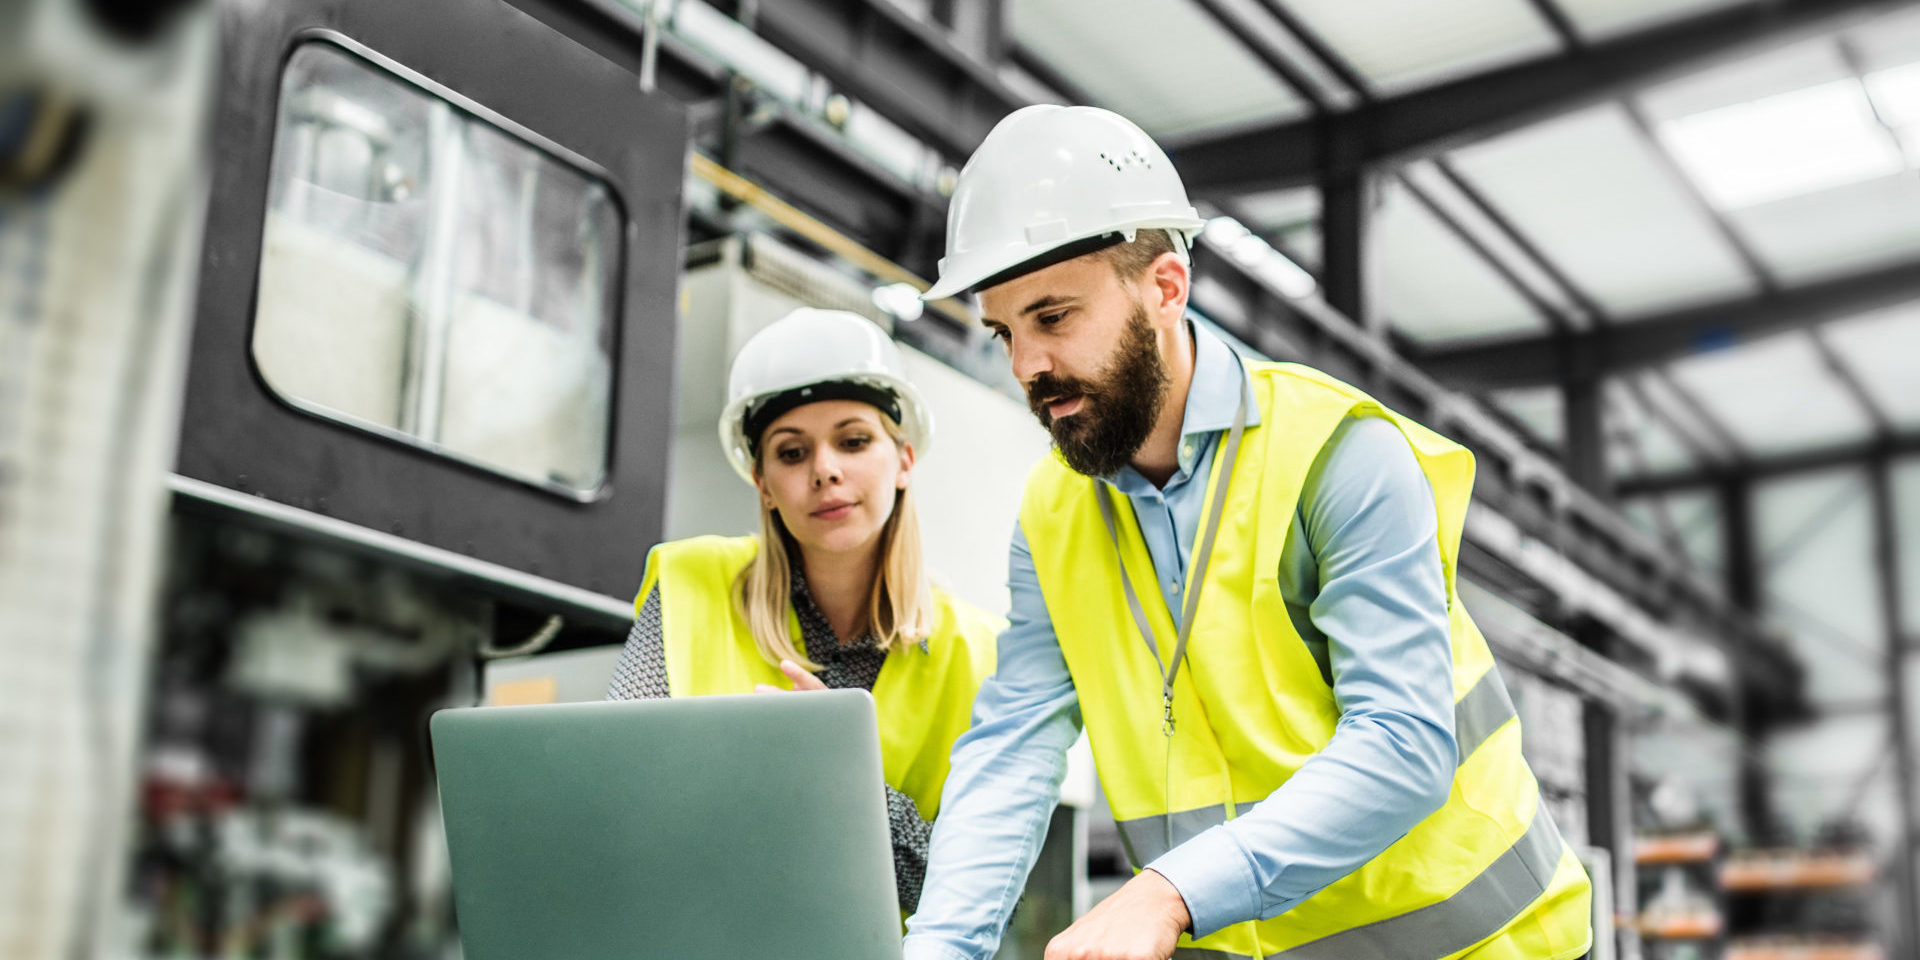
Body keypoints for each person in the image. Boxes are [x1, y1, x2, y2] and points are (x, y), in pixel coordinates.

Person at [903, 106, 1594, 960]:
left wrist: (1170, 892)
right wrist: (938, 948)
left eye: (1054, 318)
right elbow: (1012, 749)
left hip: (1487, 945)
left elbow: (1406, 742)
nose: (1025, 367)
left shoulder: (1340, 456)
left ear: (1165, 286)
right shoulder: (1052, 517)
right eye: (1006, 332)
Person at [606, 307, 1001, 916]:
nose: (826, 470)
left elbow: (971, 892)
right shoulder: (690, 585)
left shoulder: (979, 652)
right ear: (763, 483)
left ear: (903, 462)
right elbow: (616, 797)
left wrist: (839, 773)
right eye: (792, 453)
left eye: (853, 440)